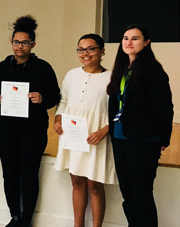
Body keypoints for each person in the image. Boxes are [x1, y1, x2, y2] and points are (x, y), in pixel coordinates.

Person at [0, 15, 61, 227]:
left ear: (33, 44)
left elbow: (55, 96)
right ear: (11, 43)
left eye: (24, 42)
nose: (19, 46)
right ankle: (14, 216)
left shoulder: (43, 68)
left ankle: (27, 218)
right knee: (9, 174)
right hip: (5, 130)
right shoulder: (2, 67)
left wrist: (42, 99)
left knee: (29, 175)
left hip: (33, 131)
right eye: (16, 42)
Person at [106, 24, 174, 227]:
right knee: (128, 195)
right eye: (126, 38)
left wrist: (163, 138)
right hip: (120, 138)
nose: (129, 42)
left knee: (141, 195)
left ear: (147, 42)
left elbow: (163, 107)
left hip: (142, 141)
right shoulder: (122, 69)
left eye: (135, 38)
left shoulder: (152, 69)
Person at [52, 34, 117, 227]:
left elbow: (119, 111)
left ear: (102, 50)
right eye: (81, 49)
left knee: (94, 185)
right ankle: (77, 225)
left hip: (96, 136)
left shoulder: (112, 77)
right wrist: (58, 119)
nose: (85, 53)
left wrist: (105, 130)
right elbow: (63, 102)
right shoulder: (72, 74)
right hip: (73, 135)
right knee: (76, 180)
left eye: (91, 48)